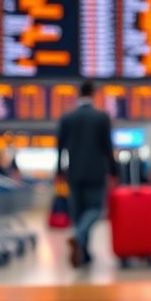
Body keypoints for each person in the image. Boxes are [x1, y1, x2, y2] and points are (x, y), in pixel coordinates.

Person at [56, 81, 117, 268]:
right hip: (96, 172)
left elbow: (60, 147)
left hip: (73, 172)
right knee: (95, 210)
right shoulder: (101, 117)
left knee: (79, 213)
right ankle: (79, 237)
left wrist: (58, 170)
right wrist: (114, 171)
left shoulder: (67, 117)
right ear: (94, 94)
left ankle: (84, 252)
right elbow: (108, 148)